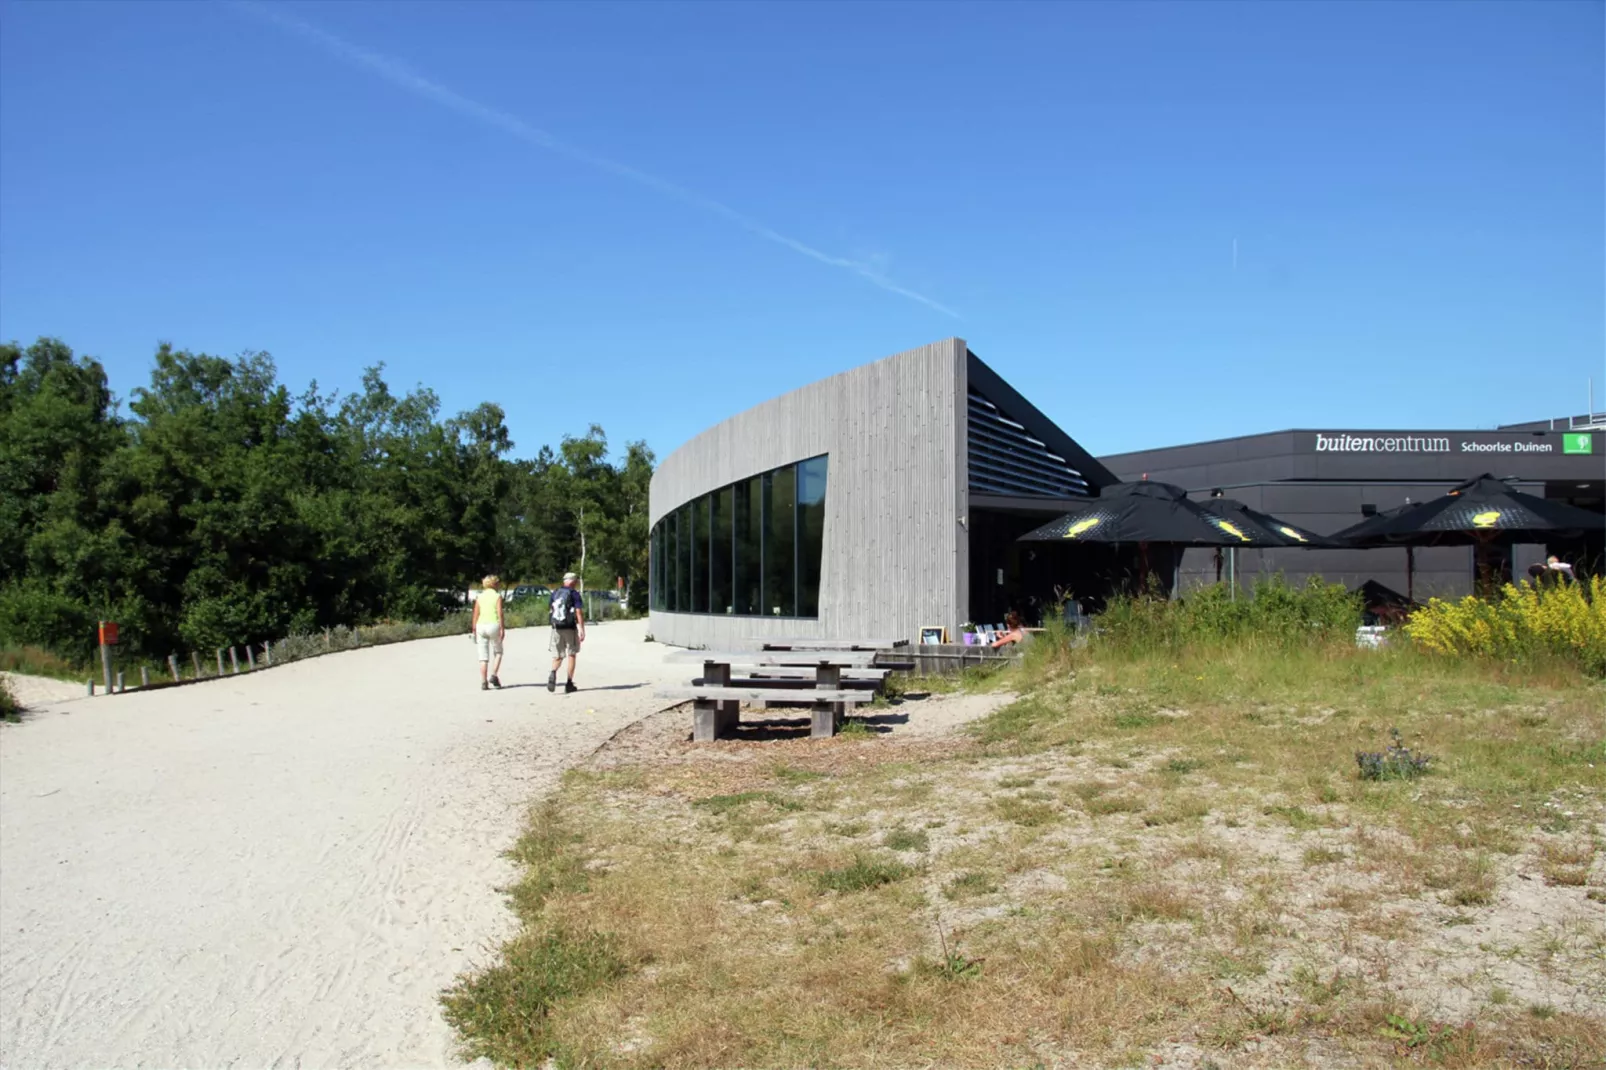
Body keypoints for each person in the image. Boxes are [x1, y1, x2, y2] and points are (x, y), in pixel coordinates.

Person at [547, 572, 586, 693]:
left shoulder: (555, 593)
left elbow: (551, 609)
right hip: (569, 627)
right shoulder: (574, 594)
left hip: (556, 627)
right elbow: (578, 612)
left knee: (558, 655)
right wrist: (582, 629)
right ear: (573, 581)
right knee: (571, 653)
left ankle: (553, 672)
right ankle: (569, 683)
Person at [471, 575, 505, 691]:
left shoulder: (479, 596)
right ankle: (494, 675)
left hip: (481, 625)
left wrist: (474, 628)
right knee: (498, 651)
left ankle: (483, 681)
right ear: (494, 584)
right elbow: (499, 613)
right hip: (493, 624)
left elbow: (476, 613)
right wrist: (502, 628)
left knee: (483, 656)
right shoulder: (497, 596)